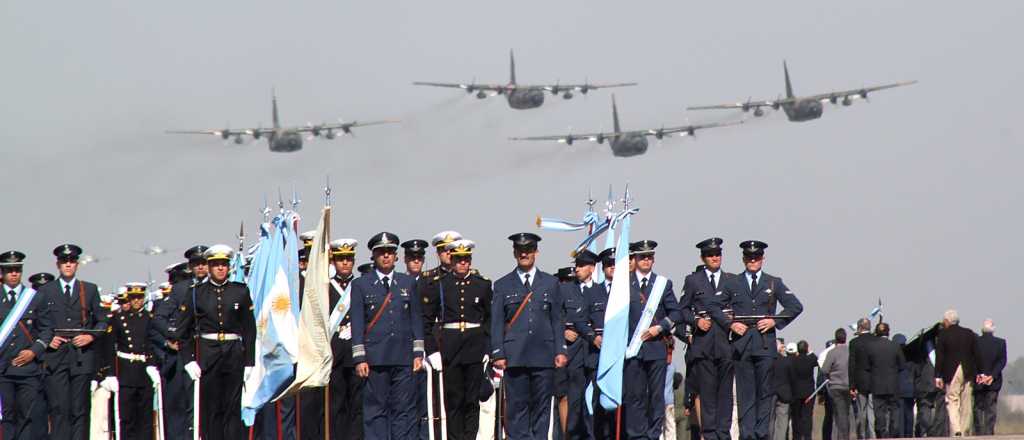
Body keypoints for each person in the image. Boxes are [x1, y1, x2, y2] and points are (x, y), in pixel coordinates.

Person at [174, 244, 257, 440]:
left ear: (229, 267)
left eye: (224, 264)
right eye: (216, 264)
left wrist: (250, 362)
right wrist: (188, 360)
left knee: (232, 408)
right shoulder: (196, 293)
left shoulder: (241, 291)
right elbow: (182, 331)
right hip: (208, 355)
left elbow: (250, 329)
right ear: (209, 267)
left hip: (234, 354)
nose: (220, 268)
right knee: (211, 408)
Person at [722, 240, 803, 440]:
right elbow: (716, 308)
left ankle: (761, 434)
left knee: (765, 393)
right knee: (745, 394)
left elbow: (795, 306)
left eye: (756, 257)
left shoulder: (773, 282)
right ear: (743, 259)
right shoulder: (732, 283)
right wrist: (730, 324)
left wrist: (774, 321)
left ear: (762, 259)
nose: (753, 261)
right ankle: (747, 434)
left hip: (765, 344)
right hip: (741, 346)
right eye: (749, 258)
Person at [490, 232, 568, 440]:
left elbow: (557, 319)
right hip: (514, 356)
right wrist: (498, 352)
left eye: (529, 250)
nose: (525, 254)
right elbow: (496, 322)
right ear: (514, 253)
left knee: (542, 409)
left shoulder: (551, 283)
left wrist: (560, 349)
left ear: (536, 252)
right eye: (520, 251)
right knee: (517, 409)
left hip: (544, 355)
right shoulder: (502, 285)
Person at [351, 232, 425, 440]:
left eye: (390, 252)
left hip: (403, 357)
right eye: (381, 253)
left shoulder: (407, 283)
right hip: (375, 358)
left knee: (403, 410)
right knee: (375, 411)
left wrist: (418, 353)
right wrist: (360, 357)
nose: (386, 256)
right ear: (373, 256)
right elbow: (357, 323)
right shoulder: (361, 285)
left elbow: (416, 319)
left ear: (396, 257)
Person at [421, 239, 492, 440]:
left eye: (466, 259)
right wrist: (432, 350)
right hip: (450, 349)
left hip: (475, 348)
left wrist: (488, 348)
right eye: (459, 259)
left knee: (472, 400)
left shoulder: (482, 285)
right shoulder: (440, 285)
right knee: (453, 401)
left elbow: (489, 319)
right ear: (451, 260)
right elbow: (426, 321)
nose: (462, 263)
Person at [40, 244, 109, 440]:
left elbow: (103, 321)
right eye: (64, 261)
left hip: (82, 356)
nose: (68, 265)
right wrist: (48, 339)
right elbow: (37, 321)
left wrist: (90, 336)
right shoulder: (46, 291)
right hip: (56, 356)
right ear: (57, 265)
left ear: (77, 264)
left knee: (80, 409)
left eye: (71, 261)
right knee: (59, 408)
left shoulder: (89, 289)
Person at [623, 240, 683, 440]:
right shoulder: (623, 283)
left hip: (656, 348)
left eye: (649, 257)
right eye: (642, 257)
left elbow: (676, 312)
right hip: (632, 349)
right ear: (635, 259)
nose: (646, 260)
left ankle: (653, 434)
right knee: (634, 396)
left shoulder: (662, 284)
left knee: (656, 396)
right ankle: (635, 435)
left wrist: (660, 327)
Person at [680, 237, 735, 440]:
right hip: (703, 346)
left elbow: (739, 306)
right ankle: (710, 434)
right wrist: (696, 322)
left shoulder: (732, 280)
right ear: (703, 258)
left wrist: (733, 317)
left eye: (718, 254)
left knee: (726, 395)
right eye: (710, 255)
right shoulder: (693, 280)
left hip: (726, 344)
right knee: (708, 395)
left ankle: (723, 434)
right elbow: (682, 309)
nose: (715, 258)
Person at [0, 250, 52, 439]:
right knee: (7, 417)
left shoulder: (34, 297)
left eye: (17, 270)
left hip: (28, 369)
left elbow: (46, 330)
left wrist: (34, 352)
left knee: (26, 416)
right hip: (3, 368)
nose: (14, 273)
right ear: (2, 273)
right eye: (9, 270)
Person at [103, 282, 161, 439]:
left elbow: (153, 343)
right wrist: (110, 373)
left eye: (140, 298)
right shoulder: (118, 318)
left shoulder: (150, 318)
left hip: (144, 371)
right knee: (127, 417)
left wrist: (153, 366)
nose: (136, 301)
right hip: (126, 371)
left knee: (145, 418)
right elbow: (110, 347)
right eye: (133, 298)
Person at [574, 247, 617, 439]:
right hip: (597, 357)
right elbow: (580, 322)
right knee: (596, 403)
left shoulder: (629, 293)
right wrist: (593, 337)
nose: (612, 268)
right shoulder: (593, 292)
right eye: (608, 264)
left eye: (616, 264)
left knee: (622, 403)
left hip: (622, 359)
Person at [934, 309, 981, 437]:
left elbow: (940, 357)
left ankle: (957, 429)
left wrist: (937, 375)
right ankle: (965, 428)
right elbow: (977, 354)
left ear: (947, 321)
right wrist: (980, 372)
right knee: (967, 401)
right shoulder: (969, 333)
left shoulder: (943, 335)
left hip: (951, 371)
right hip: (968, 370)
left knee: (952, 399)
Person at [865, 323, 904, 439]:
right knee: (895, 408)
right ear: (888, 332)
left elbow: (867, 366)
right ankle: (894, 430)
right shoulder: (895, 346)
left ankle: (881, 431)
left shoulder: (871, 346)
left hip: (877, 384)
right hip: (893, 383)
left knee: (879, 410)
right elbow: (902, 365)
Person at [973, 319, 1006, 436]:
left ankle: (978, 431)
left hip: (978, 380)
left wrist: (979, 374)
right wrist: (992, 375)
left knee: (978, 407)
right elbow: (1002, 361)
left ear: (982, 329)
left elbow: (973, 361)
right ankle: (988, 431)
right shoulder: (1001, 343)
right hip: (994, 380)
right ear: (993, 329)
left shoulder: (975, 342)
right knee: (991, 407)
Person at [847, 318, 876, 440]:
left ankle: (862, 435)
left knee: (861, 410)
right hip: (874, 380)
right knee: (872, 410)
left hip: (860, 381)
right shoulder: (876, 340)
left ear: (859, 328)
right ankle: (873, 435)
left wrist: (851, 385)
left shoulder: (854, 343)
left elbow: (852, 365)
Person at [821, 329, 851, 440]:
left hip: (835, 386)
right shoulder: (850, 351)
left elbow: (824, 370)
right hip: (848, 385)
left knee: (839, 413)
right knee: (846, 412)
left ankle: (841, 436)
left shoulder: (832, 352)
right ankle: (845, 435)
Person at [788, 341, 817, 440]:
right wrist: (810, 352)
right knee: (807, 417)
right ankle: (807, 437)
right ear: (807, 348)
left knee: (796, 417)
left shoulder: (793, 361)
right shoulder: (811, 359)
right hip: (809, 393)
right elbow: (817, 359)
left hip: (796, 392)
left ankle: (796, 437)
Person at [773, 342, 795, 440]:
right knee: (782, 423)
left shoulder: (768, 361)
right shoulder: (786, 361)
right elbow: (792, 378)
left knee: (769, 421)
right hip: (784, 394)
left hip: (770, 393)